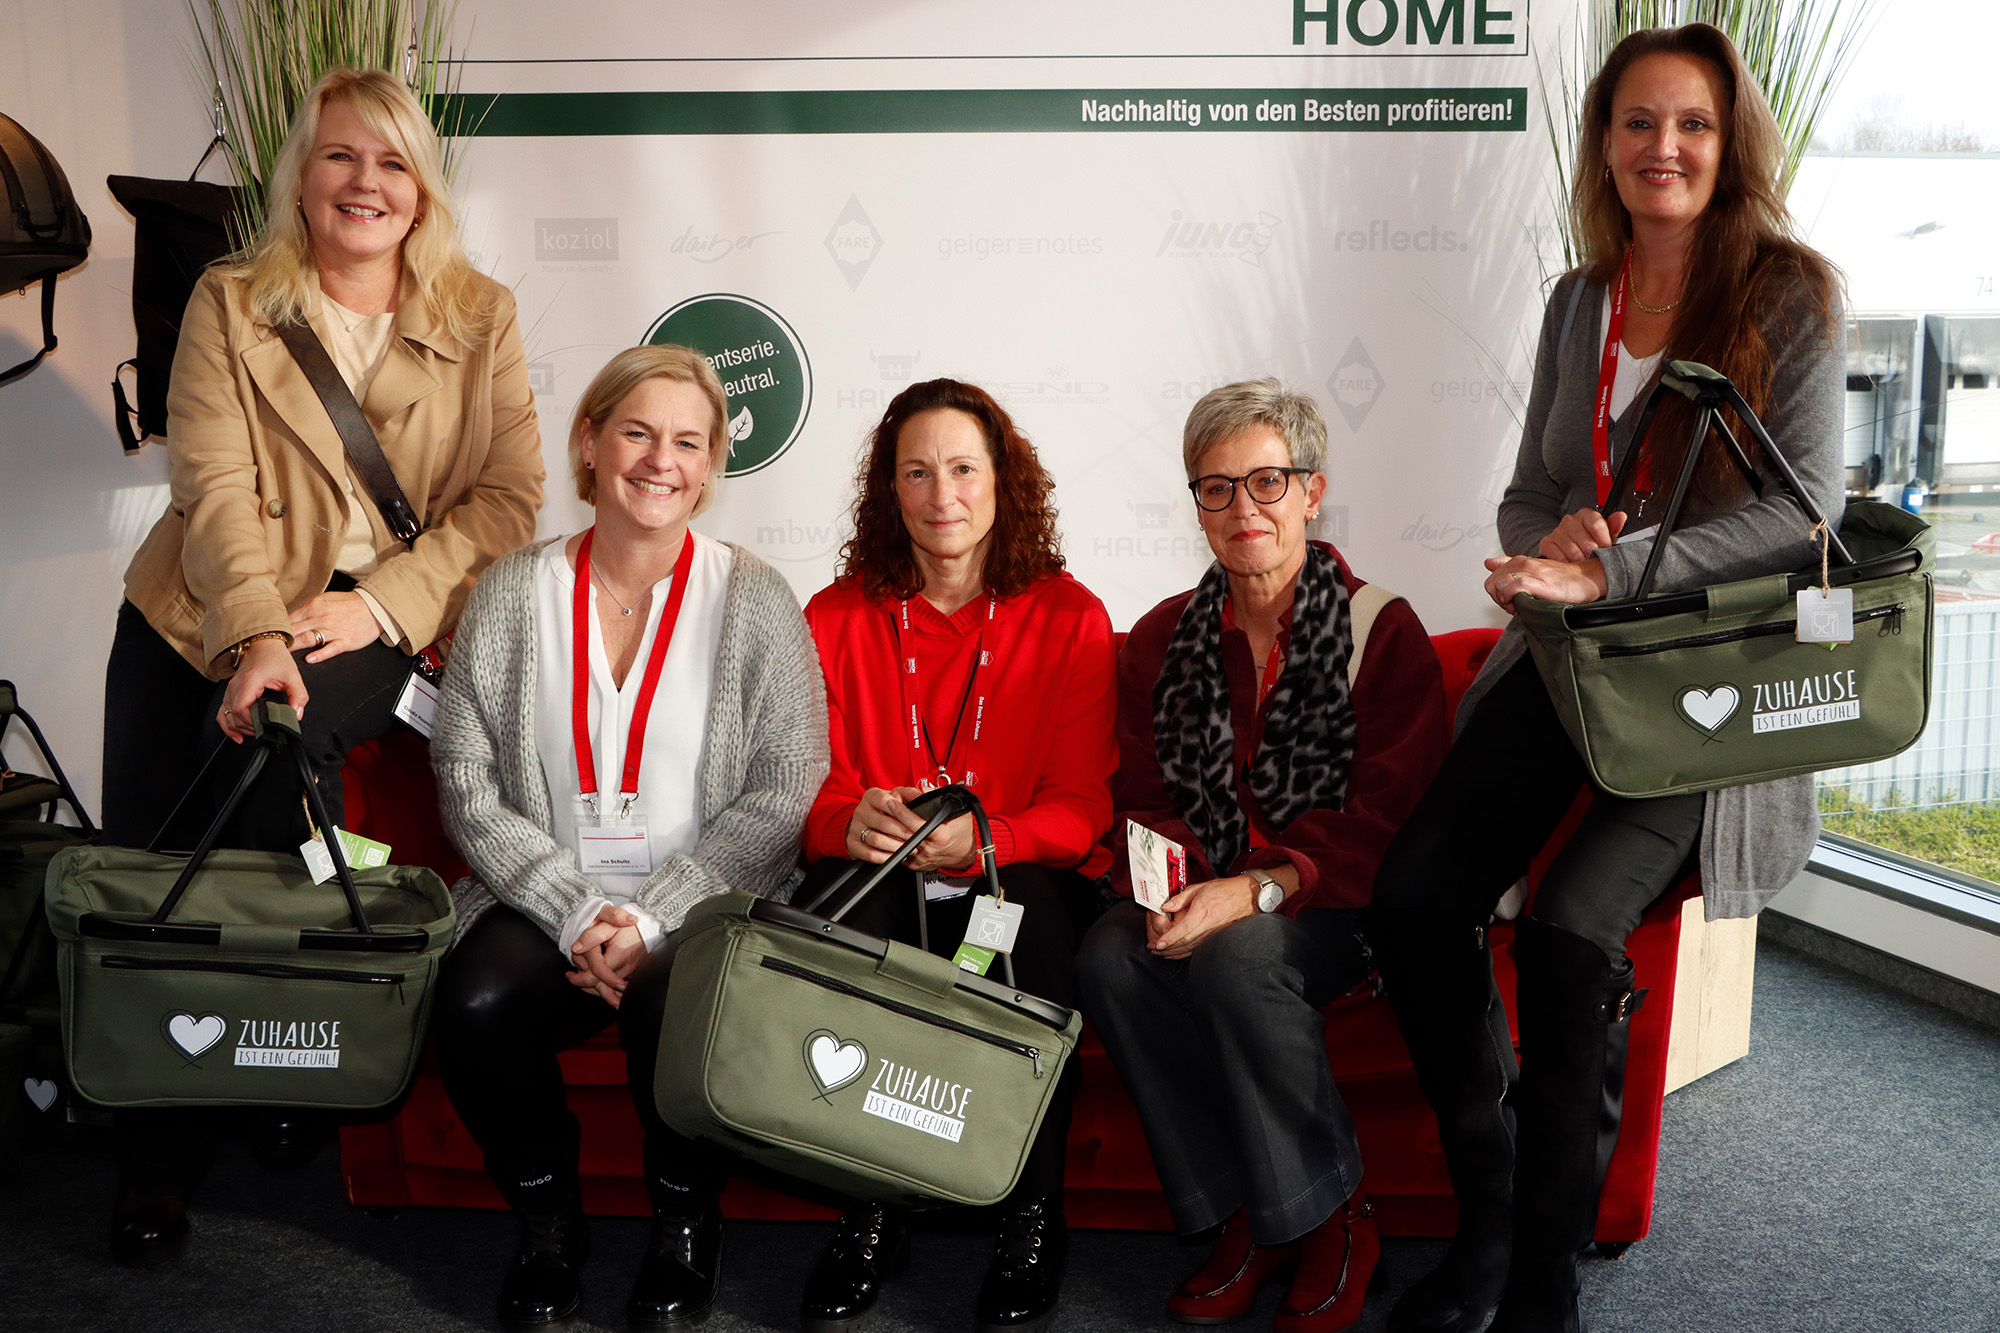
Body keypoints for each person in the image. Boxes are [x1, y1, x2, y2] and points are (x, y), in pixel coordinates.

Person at [1369, 25, 1847, 1333]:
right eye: (1637, 122)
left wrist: (1617, 569)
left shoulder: (1787, 295)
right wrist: (1556, 543)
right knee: (1416, 897)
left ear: (1729, 142)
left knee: (1574, 928)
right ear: (1603, 144)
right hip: (1576, 665)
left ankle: (1541, 1276)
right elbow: (1532, 491)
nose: (1663, 148)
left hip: (1707, 686)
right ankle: (1488, 1219)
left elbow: (1806, 515)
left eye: (1691, 123)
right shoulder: (1580, 300)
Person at [97, 66, 544, 1265]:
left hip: (374, 620)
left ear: (422, 190)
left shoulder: (480, 313)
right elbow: (213, 485)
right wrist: (256, 632)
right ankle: (155, 1160)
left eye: (392, 162)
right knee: (153, 875)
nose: (364, 182)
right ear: (301, 174)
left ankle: (283, 1046)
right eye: (340, 155)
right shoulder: (232, 298)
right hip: (196, 611)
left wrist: (380, 602)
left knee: (259, 759)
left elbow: (508, 498)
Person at [428, 344, 830, 1330]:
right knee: (472, 998)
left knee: (669, 997)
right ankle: (547, 1219)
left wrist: (650, 917)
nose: (661, 461)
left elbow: (785, 790)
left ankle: (684, 1224)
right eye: (638, 433)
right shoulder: (511, 591)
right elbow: (467, 783)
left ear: (712, 463)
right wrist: (575, 911)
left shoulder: (755, 599)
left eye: (688, 442)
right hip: (544, 893)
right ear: (589, 442)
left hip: (701, 901)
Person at [1077, 379, 1449, 1333]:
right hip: (1214, 885)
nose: (1243, 507)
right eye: (1217, 487)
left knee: (1241, 955)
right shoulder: (1161, 638)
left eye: (1267, 481)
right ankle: (1254, 1209)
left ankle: (1337, 1218)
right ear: (1198, 505)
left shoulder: (1382, 630)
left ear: (1312, 492)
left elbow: (1388, 821)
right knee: (1111, 951)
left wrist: (1252, 889)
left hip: (1341, 904)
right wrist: (1167, 890)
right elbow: (1145, 800)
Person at [794, 378, 1116, 1333]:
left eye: (964, 469)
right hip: (883, 871)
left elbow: (1082, 808)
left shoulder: (1069, 616)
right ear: (888, 491)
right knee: (838, 923)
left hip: (1008, 876)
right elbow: (804, 790)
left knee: (1036, 929)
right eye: (917, 473)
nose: (943, 495)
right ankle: (869, 1206)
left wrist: (986, 842)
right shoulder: (835, 615)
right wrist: (844, 822)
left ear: (1002, 481)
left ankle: (1031, 1213)